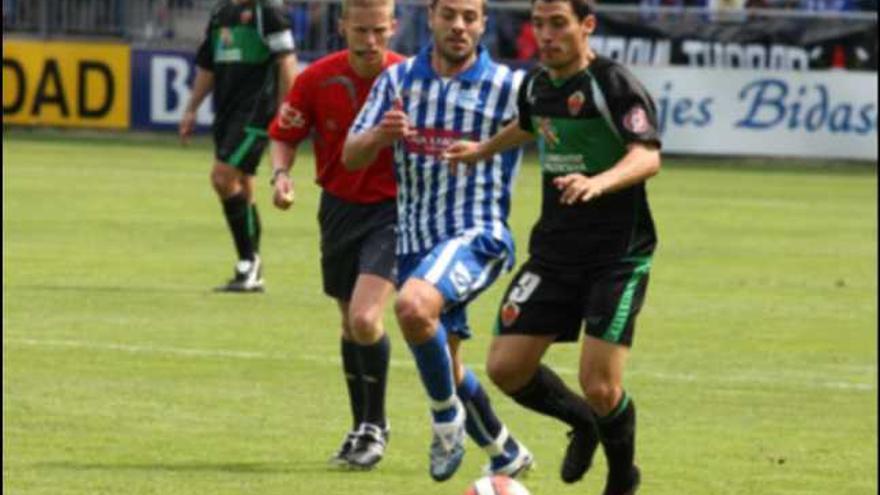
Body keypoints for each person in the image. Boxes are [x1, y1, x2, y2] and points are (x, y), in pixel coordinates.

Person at [444, 0, 661, 493]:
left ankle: (622, 476)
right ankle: (583, 423)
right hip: (555, 254)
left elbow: (646, 157)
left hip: (617, 256)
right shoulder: (538, 83)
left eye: (558, 23)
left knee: (602, 385)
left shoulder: (614, 85)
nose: (545, 35)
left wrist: (598, 183)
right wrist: (481, 150)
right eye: (538, 24)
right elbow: (528, 124)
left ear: (586, 25)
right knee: (506, 367)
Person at [342, 0, 534, 483]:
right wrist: (381, 137)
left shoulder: (510, 87)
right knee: (443, 356)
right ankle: (504, 450)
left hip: (478, 234)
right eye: (449, 14)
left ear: (484, 23)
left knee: (411, 307)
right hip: (414, 242)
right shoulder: (397, 80)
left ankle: (446, 421)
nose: (459, 26)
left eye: (470, 16)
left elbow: (551, 125)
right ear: (430, 17)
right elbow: (350, 155)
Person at [265, 0, 404, 470]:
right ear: (342, 25)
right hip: (339, 211)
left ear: (394, 27)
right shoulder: (317, 78)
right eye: (361, 30)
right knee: (349, 324)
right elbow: (284, 134)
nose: (370, 41)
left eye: (379, 31)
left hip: (394, 212)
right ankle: (360, 425)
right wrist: (280, 176)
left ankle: (377, 425)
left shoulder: (411, 79)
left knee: (366, 319)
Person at [180, 0, 297, 292]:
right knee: (242, 184)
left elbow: (286, 61)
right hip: (227, 113)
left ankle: (248, 261)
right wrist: (192, 108)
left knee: (222, 177)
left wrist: (287, 108)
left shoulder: (268, 11)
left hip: (257, 113)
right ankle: (250, 269)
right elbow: (207, 66)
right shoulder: (221, 13)